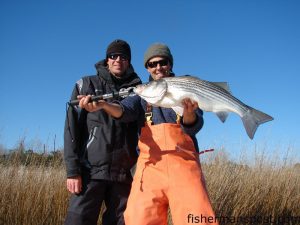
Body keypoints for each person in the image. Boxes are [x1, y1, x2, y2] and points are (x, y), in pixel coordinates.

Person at [79, 43, 218, 225]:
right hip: (150, 168)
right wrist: (104, 105)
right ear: (147, 68)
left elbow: (193, 127)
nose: (158, 67)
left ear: (170, 64)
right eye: (152, 64)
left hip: (185, 166)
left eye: (162, 62)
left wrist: (189, 113)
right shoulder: (141, 94)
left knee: (197, 219)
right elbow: (124, 110)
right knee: (138, 218)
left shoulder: (186, 86)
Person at [64, 39, 142, 225]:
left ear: (129, 61)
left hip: (124, 176)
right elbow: (71, 129)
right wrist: (73, 170)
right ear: (106, 60)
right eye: (113, 56)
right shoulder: (85, 85)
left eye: (123, 57)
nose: (117, 60)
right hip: (90, 173)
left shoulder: (139, 90)